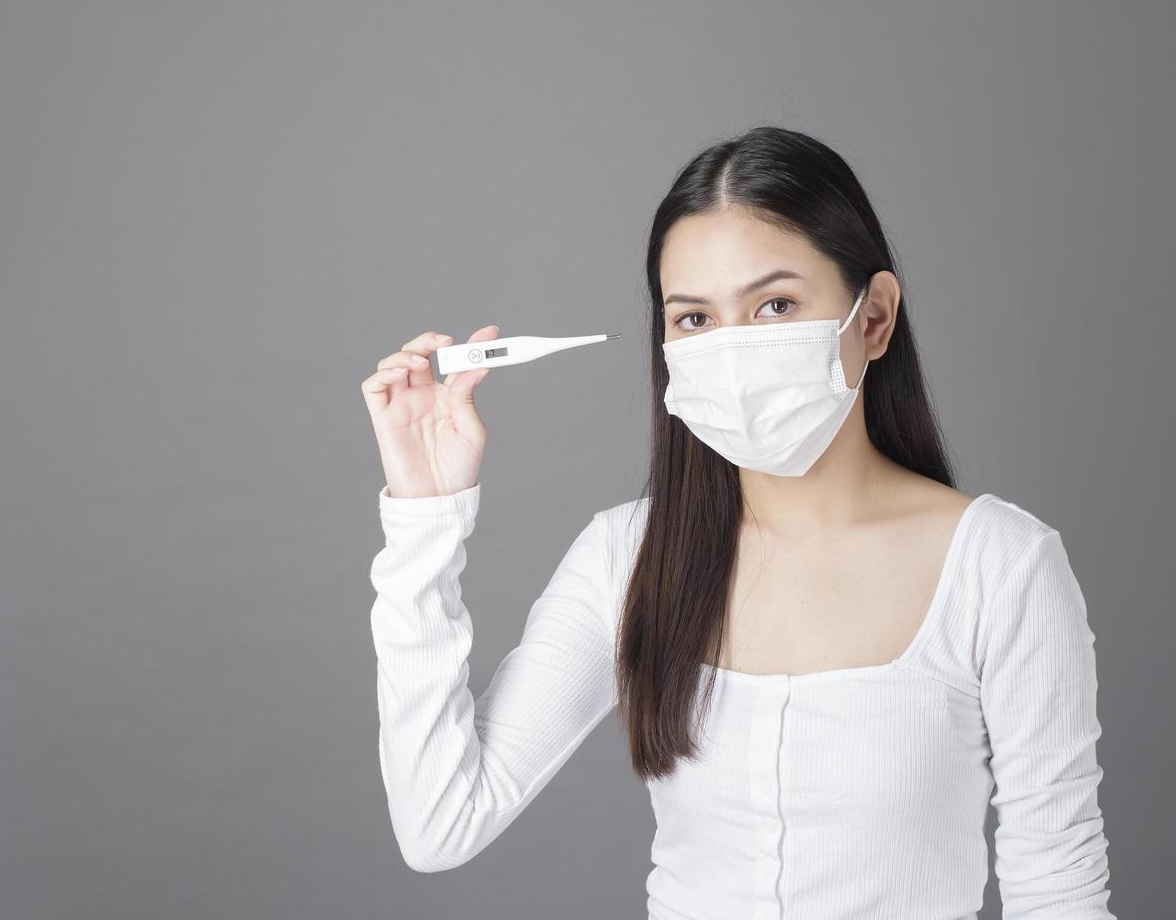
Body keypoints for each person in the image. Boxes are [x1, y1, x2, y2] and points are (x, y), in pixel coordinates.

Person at [360, 126, 1116, 919]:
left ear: (874, 318)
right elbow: (439, 825)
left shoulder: (1000, 564)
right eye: (694, 320)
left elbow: (1057, 889)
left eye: (775, 305)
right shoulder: (627, 557)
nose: (730, 348)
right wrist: (424, 517)